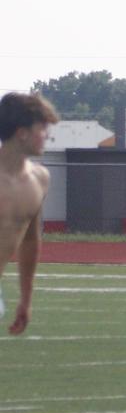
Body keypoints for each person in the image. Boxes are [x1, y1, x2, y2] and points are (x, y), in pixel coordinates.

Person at [1, 93, 58, 338]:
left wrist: (26, 298)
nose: (47, 135)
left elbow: (30, 240)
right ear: (22, 132)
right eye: (42, 128)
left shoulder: (40, 179)